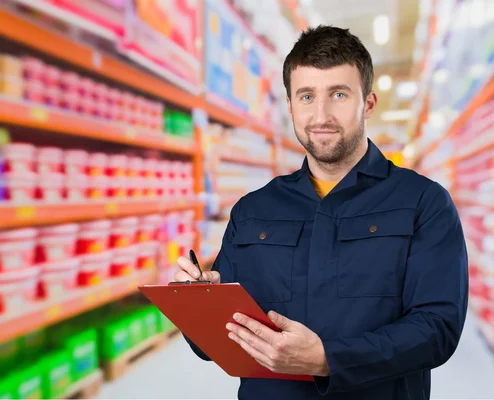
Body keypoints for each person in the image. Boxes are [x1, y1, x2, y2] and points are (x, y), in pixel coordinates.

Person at [174, 25, 468, 400]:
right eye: (307, 96)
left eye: (339, 94)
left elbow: (437, 329)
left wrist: (327, 359)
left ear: (368, 103)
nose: (322, 114)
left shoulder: (423, 203)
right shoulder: (253, 211)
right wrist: (199, 301)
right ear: (291, 105)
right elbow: (214, 345)